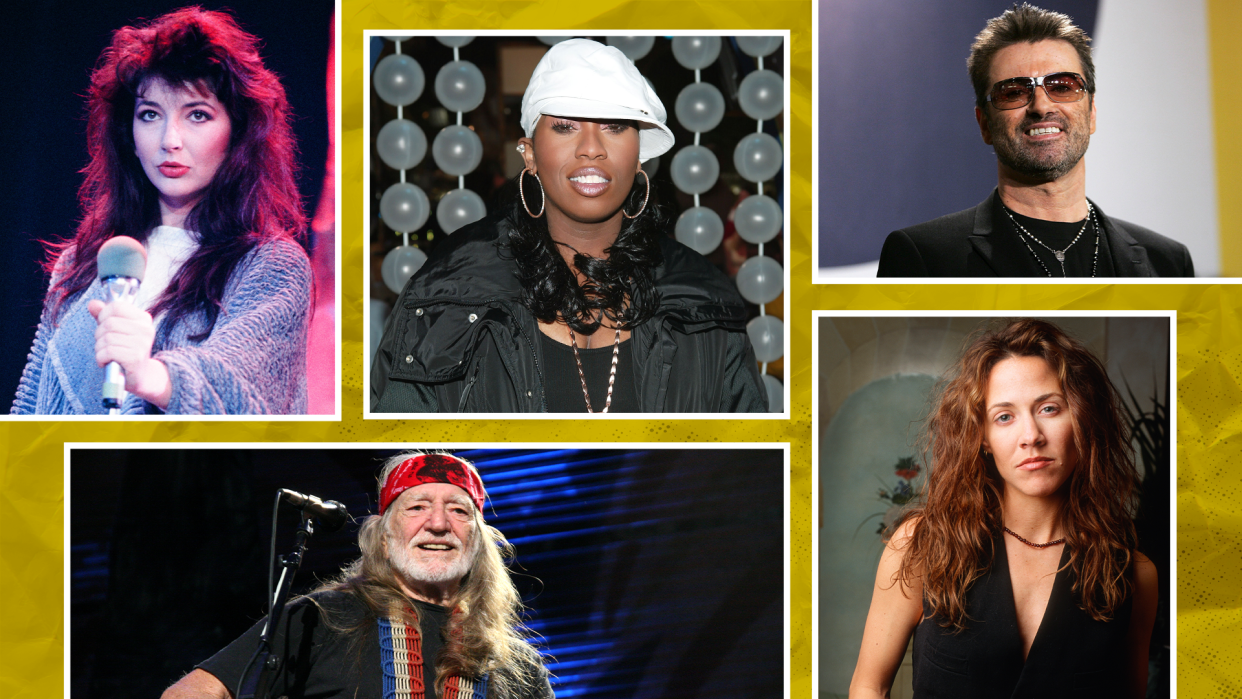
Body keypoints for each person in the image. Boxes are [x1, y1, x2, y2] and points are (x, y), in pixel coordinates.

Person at [371, 39, 767, 413]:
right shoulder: (445, 295)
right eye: (565, 126)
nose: (591, 147)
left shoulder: (703, 301)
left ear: (639, 156)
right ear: (529, 154)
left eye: (614, 126)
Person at [11, 7, 312, 414]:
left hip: (183, 476)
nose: (170, 139)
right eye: (150, 114)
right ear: (129, 135)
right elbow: (32, 406)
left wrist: (150, 374)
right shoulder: (83, 263)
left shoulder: (270, 267)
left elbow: (246, 391)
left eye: (198, 115)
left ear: (236, 133)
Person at [849, 319, 1159, 698]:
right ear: (983, 438)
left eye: (1049, 408)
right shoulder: (921, 546)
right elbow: (869, 686)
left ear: (1082, 419)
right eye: (1005, 416)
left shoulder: (1134, 576)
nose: (1031, 436)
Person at [161, 452, 552, 699]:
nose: (438, 523)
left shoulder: (517, 664)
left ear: (479, 542)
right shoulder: (320, 618)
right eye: (416, 507)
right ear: (383, 537)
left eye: (459, 511)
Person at [877, 4, 1194, 277]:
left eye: (1063, 86)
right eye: (1014, 92)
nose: (1042, 106)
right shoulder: (923, 257)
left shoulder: (1167, 262)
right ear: (984, 123)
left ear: (1092, 111)